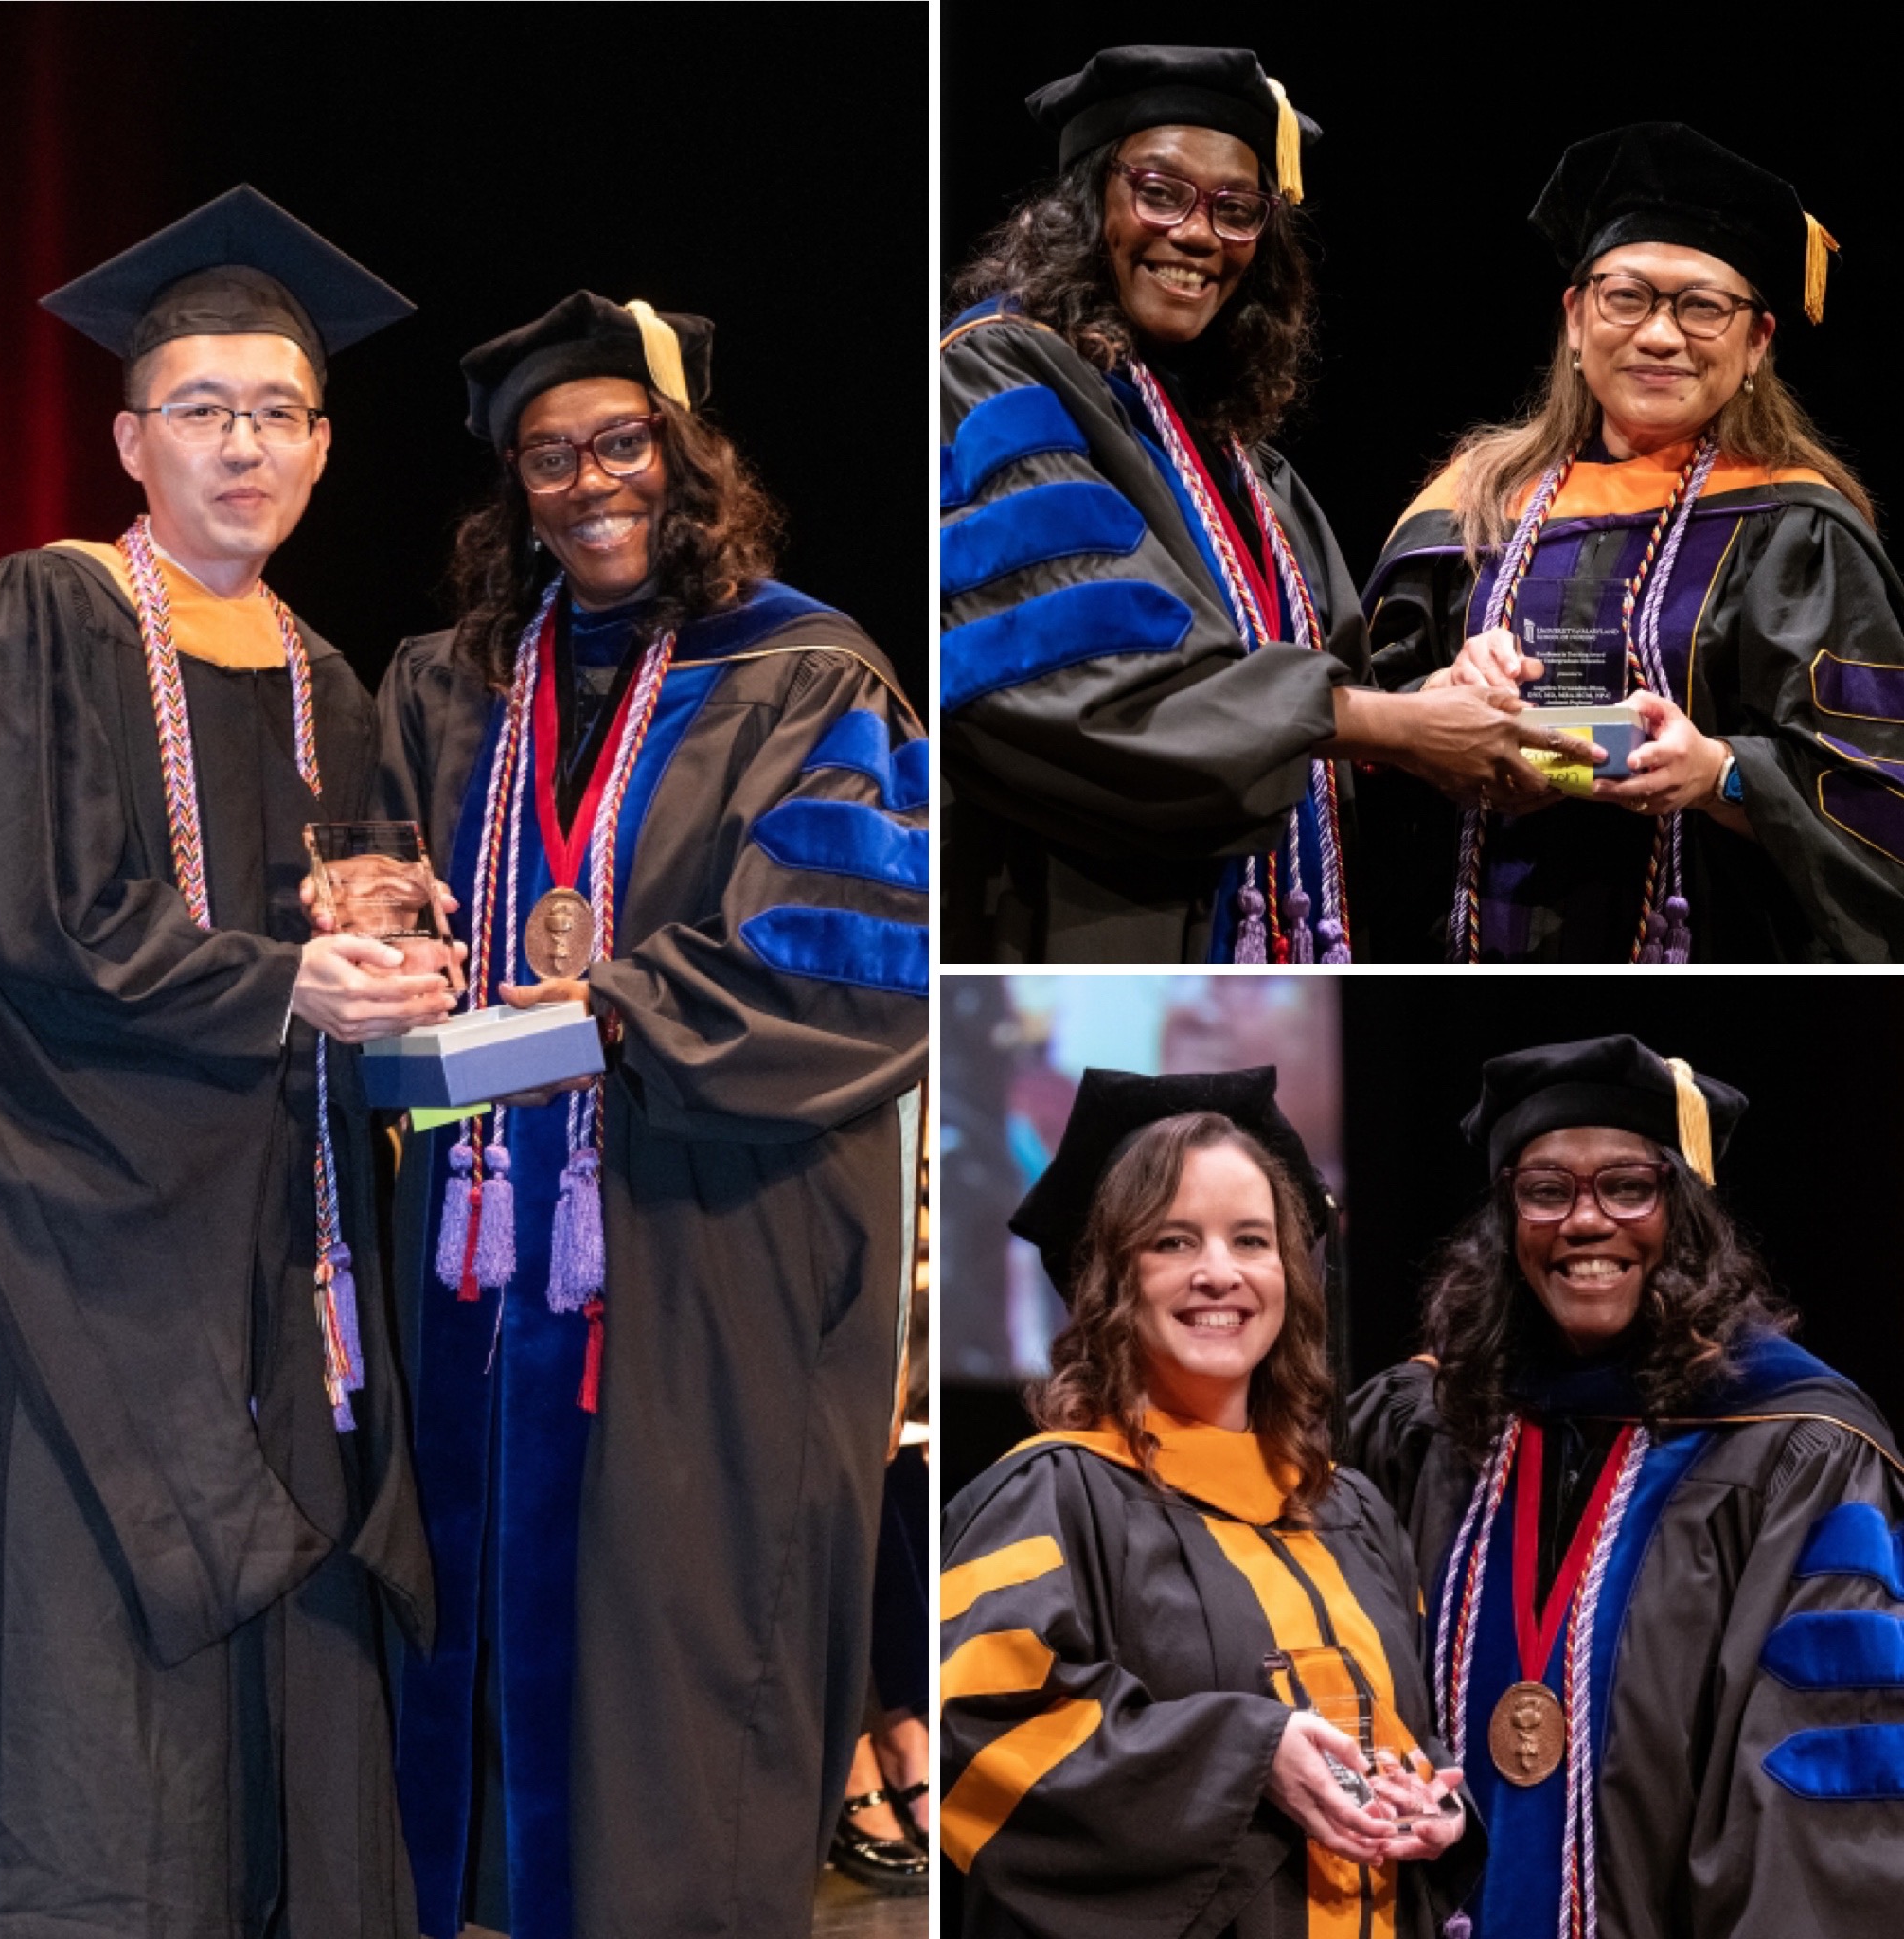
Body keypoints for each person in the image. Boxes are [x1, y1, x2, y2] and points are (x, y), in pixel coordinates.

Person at [373, 291, 928, 1939]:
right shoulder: (445, 682)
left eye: (621, 440)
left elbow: (852, 959)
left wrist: (606, 1007)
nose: (588, 480)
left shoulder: (810, 670)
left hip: (708, 1238)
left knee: (678, 1632)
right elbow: (380, 897)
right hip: (473, 1252)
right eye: (548, 455)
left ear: (688, 458)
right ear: (513, 489)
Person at [0, 186, 443, 1937]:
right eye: (201, 409)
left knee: (300, 1698)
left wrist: (394, 975)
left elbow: (323, 919)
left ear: (321, 446)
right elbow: (38, 922)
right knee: (100, 1694)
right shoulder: (47, 615)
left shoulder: (335, 676)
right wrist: (290, 986)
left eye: (276, 414)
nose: (241, 445)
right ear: (129, 436)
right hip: (89, 1238)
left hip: (284, 1240)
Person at [940, 44, 1587, 964]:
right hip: (1078, 918)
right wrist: (1393, 724)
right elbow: (1081, 671)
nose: (1198, 235)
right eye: (1158, 192)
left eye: (1236, 211)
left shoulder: (1239, 463)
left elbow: (1332, 695)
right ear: (1083, 205)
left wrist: (1444, 708)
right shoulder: (996, 376)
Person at [1348, 1036, 1904, 1937]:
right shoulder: (1432, 1426)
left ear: (1684, 1216)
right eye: (1546, 1191)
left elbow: (1816, 1787)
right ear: (1507, 1221)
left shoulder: (1795, 1450)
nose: (1586, 1222)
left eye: (1628, 1186)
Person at [942, 1068, 1478, 1938]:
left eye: (1252, 1240)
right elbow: (979, 1740)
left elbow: (1397, 1724)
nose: (1220, 1274)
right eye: (1173, 1242)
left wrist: (1423, 1794)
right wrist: (1248, 1757)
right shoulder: (1053, 1496)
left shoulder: (1352, 1512)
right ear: (1110, 1276)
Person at [1361, 123, 1904, 961]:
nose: (1659, 336)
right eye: (1627, 296)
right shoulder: (1467, 509)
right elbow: (1356, 731)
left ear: (1757, 342)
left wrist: (1723, 774)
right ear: (1576, 318)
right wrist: (1442, 697)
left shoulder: (1796, 528)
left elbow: (1875, 788)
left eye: (1702, 306)